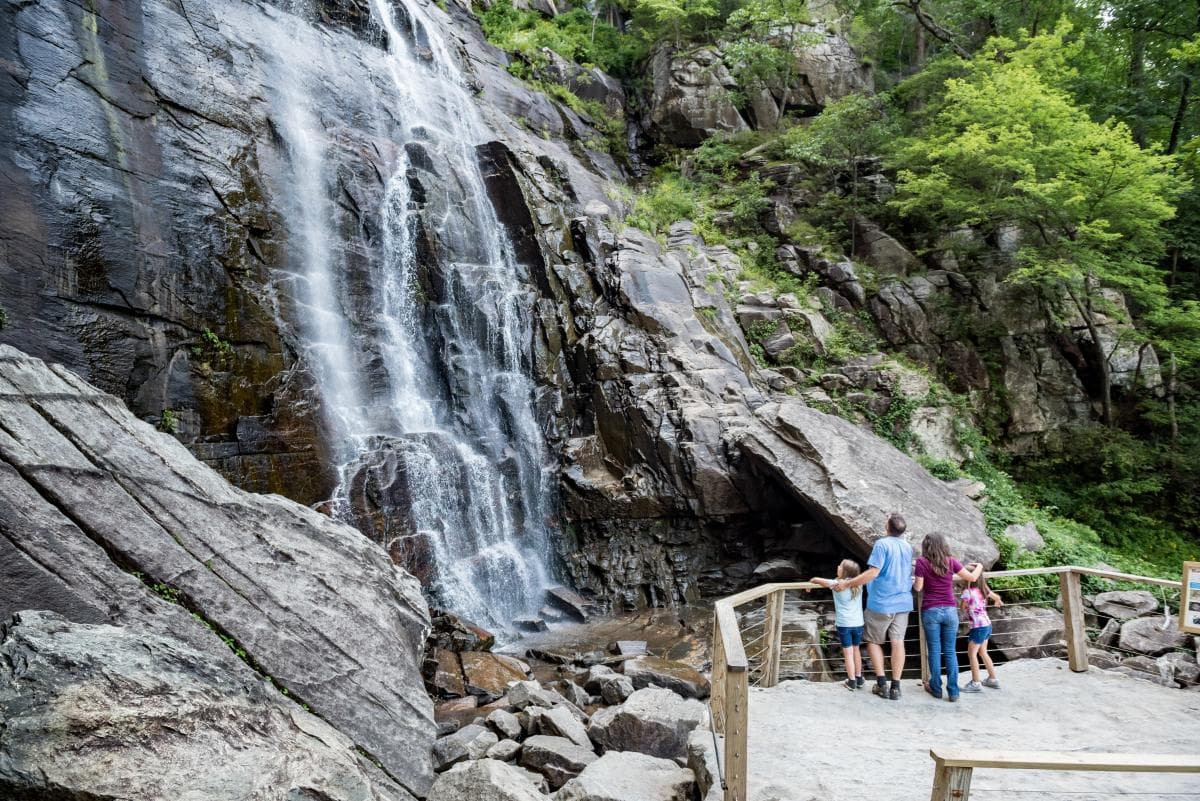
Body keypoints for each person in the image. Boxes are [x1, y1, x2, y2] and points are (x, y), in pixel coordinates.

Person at [834, 513, 912, 701]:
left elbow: (873, 572)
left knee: (874, 641)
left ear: (887, 527)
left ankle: (882, 684)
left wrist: (848, 583)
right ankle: (896, 687)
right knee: (898, 642)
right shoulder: (907, 546)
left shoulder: (882, 544)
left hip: (881, 602)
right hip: (903, 602)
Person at [913, 532, 982, 702]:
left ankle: (936, 688)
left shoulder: (921, 562)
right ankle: (953, 691)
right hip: (950, 611)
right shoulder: (950, 561)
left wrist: (915, 579)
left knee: (935, 651)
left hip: (931, 610)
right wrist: (979, 565)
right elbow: (972, 577)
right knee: (950, 651)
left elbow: (918, 588)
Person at [810, 559, 865, 690]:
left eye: (840, 566)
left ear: (845, 571)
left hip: (844, 624)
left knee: (848, 653)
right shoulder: (859, 584)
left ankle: (851, 681)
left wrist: (811, 582)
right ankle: (859, 677)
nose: (837, 566)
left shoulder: (836, 584)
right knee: (856, 649)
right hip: (858, 623)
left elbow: (817, 579)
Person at [960, 566, 1003, 692]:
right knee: (983, 652)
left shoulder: (967, 592)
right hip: (987, 624)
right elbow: (997, 598)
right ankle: (992, 679)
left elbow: (963, 607)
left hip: (978, 627)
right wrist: (998, 602)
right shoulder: (984, 589)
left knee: (972, 654)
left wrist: (964, 602)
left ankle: (975, 683)